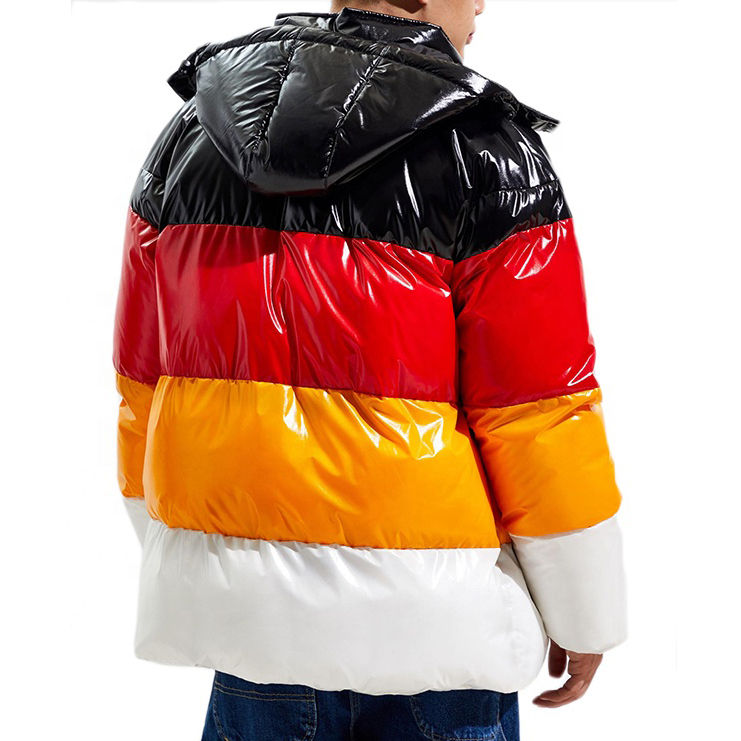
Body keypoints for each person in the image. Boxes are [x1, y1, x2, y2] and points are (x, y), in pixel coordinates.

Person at [111, 1, 628, 738]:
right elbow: (538, 411)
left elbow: (141, 383)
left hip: (253, 637)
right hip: (437, 639)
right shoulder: (485, 149)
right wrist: (584, 612)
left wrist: (210, 561)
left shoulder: (191, 134)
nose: (483, 4)